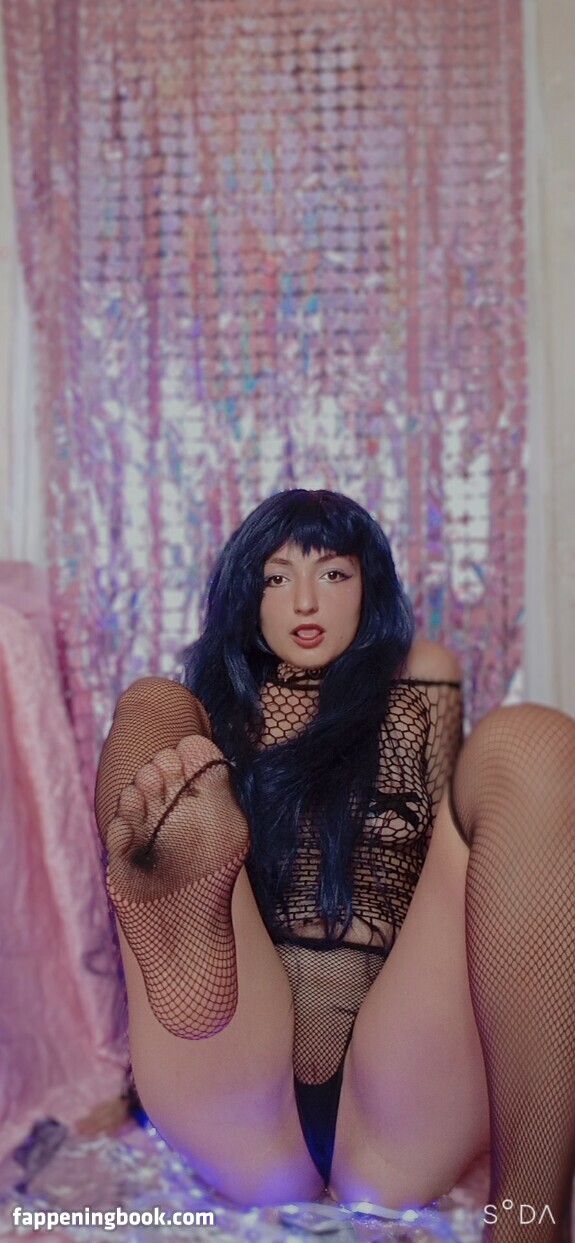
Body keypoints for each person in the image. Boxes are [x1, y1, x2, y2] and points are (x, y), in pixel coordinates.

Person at [95, 489, 575, 1242]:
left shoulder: (420, 679)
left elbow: (433, 862)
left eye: (333, 573)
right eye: (276, 576)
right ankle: (174, 870)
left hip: (396, 1086)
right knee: (155, 703)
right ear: (246, 594)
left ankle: (527, 1223)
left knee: (533, 741)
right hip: (239, 1063)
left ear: (367, 583)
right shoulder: (213, 708)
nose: (305, 601)